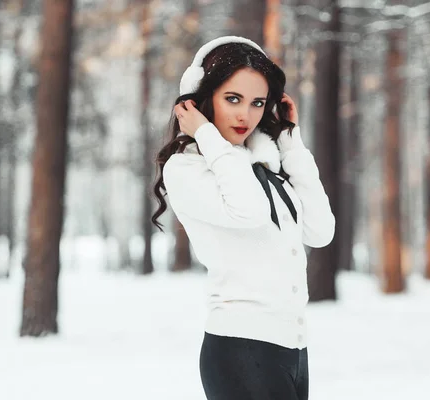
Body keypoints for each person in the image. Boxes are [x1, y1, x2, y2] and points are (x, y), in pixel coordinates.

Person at [151, 36, 336, 400]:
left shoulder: (260, 164)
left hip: (292, 349)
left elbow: (320, 231)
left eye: (257, 103)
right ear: (200, 100)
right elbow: (248, 212)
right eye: (232, 99)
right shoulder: (188, 167)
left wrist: (290, 143)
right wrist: (206, 135)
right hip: (241, 349)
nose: (245, 115)